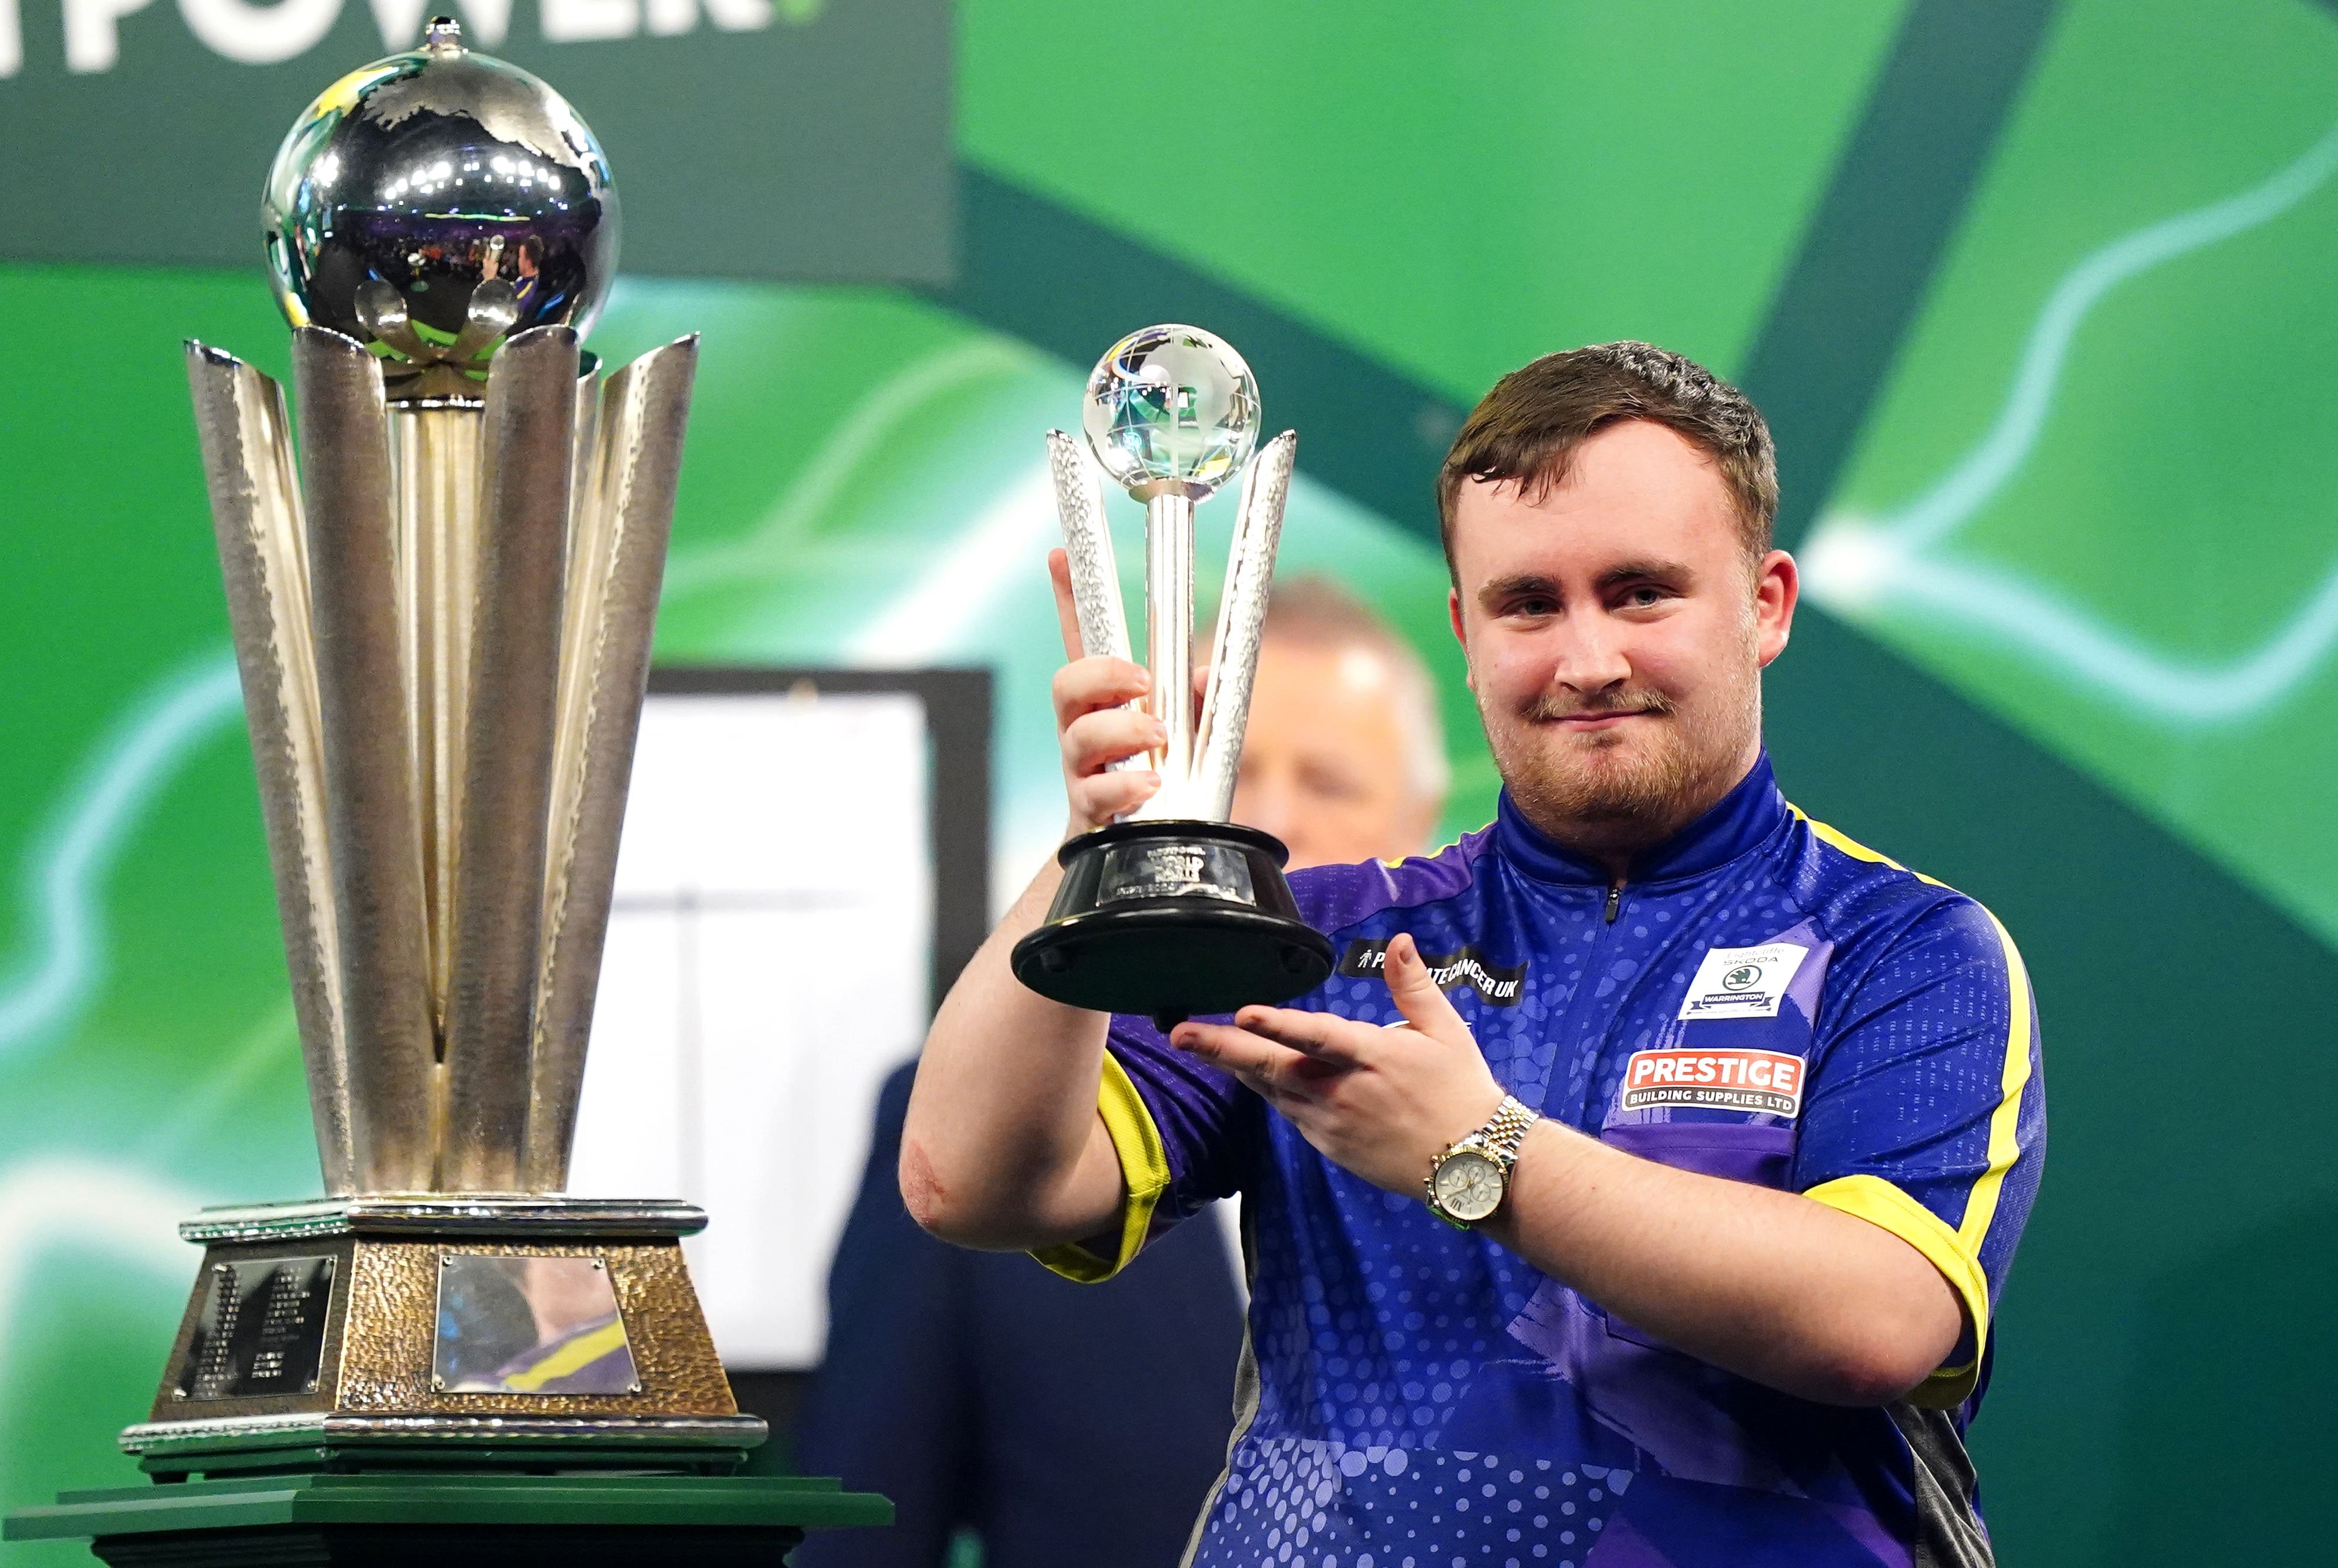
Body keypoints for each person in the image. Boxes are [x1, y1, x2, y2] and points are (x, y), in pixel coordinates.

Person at [904, 343, 2046, 1568]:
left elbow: (1877, 1320)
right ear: (1464, 626)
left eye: (1642, 591)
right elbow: (971, 1184)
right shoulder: (1319, 934)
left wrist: (1478, 1152)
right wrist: (1093, 847)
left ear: (1763, 603)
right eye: (1529, 603)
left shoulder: (1903, 945)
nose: (1586, 658)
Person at [796, 581, 1452, 1568]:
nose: (1266, 825)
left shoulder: (1500, 1112)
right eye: (1232, 772)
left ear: (1422, 821)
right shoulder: (993, 1118)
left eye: (1326, 782)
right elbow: (868, 1515)